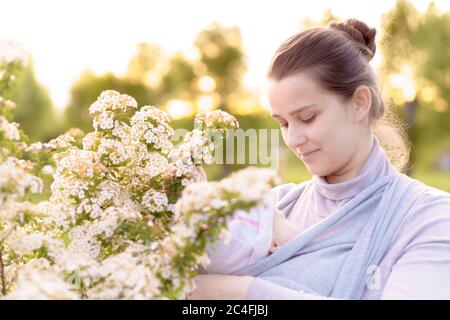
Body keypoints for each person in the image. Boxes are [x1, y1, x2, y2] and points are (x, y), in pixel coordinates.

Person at [188, 18, 450, 300]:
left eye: (307, 118)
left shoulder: (428, 218)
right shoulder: (269, 208)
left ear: (360, 102)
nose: (293, 139)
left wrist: (243, 292)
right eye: (284, 124)